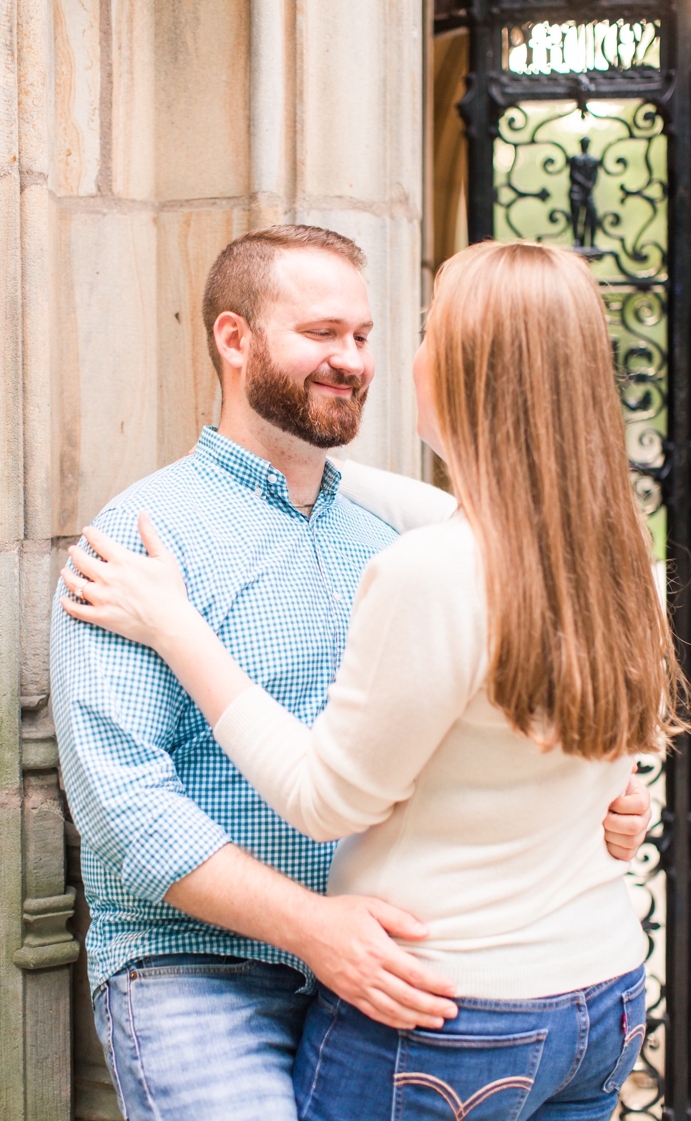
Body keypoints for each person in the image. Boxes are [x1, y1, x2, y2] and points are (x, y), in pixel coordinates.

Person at [47, 226, 654, 1121]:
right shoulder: (143, 541)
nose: (357, 360)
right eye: (322, 333)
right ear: (234, 338)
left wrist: (598, 786)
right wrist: (313, 928)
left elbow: (540, 652)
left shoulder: (405, 538)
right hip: (207, 966)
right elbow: (120, 804)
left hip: (407, 970)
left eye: (368, 336)